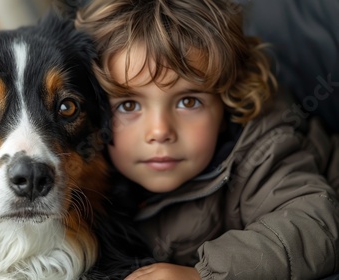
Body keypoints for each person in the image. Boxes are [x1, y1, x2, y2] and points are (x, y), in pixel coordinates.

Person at [75, 0, 339, 279]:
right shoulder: (92, 170)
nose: (160, 131)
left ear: (227, 102)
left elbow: (317, 225)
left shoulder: (264, 150)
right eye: (129, 106)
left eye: (188, 102)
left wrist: (202, 275)